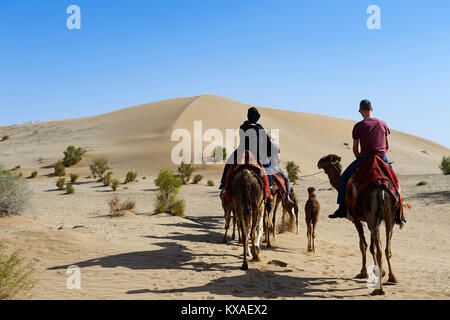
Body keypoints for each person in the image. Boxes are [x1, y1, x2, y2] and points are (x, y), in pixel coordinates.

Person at [329, 99, 392, 219]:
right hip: (382, 158)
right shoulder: (383, 123)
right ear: (372, 109)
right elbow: (387, 146)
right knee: (394, 179)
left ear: (361, 111)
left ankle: (342, 208)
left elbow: (354, 149)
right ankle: (399, 207)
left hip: (365, 158)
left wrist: (360, 160)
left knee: (343, 179)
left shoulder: (358, 126)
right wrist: (381, 156)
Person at [219, 107, 274, 193]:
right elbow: (267, 143)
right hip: (257, 152)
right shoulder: (260, 128)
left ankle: (223, 183)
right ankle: (270, 186)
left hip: (242, 151)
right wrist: (269, 153)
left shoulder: (242, 127)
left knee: (229, 162)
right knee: (267, 166)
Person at [268, 134, 296, 205]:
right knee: (286, 179)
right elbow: (279, 160)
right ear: (273, 139)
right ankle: (287, 196)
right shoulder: (276, 147)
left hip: (265, 168)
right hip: (275, 168)